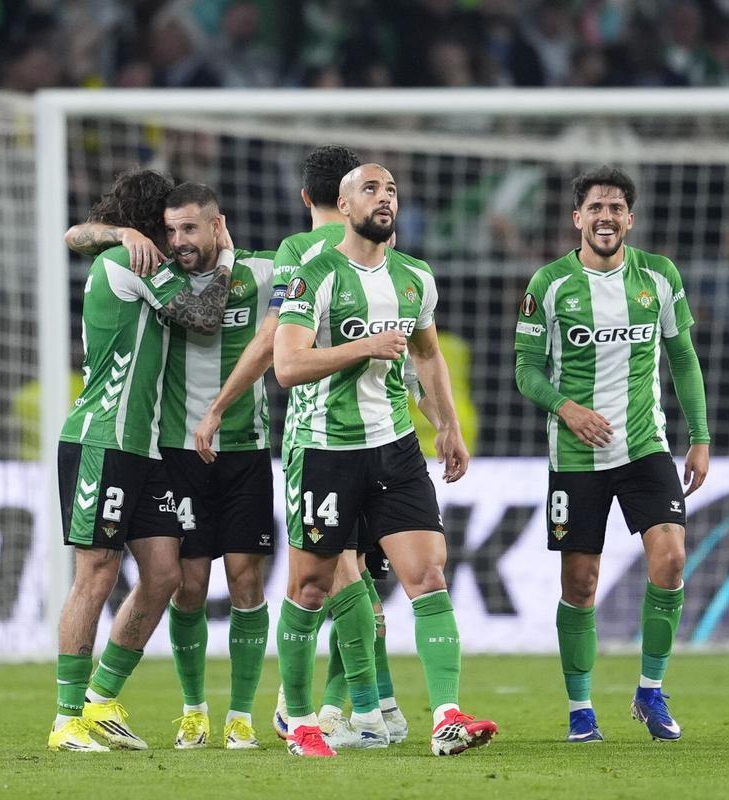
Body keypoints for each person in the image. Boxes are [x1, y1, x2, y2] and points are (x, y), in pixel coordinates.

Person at [194, 145, 417, 749]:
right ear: (348, 197)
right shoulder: (386, 251)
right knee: (356, 572)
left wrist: (218, 406)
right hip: (385, 436)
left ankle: (343, 708)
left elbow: (271, 342)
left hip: (316, 441)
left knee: (339, 574)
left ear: (304, 197)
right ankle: (361, 706)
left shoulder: (297, 253)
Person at [273, 163, 498, 757]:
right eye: (370, 189)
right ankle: (299, 723)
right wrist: (363, 347)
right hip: (325, 449)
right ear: (343, 207)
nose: (385, 198)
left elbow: (427, 355)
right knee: (311, 588)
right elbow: (288, 367)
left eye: (391, 190)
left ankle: (446, 717)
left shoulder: (415, 278)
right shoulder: (315, 274)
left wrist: (446, 425)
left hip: (395, 448)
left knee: (427, 575)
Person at [65, 182, 277, 750]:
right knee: (180, 583)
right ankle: (187, 711)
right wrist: (120, 233)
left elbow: (319, 267)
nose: (178, 240)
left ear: (216, 225)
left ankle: (239, 715)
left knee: (236, 580)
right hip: (169, 448)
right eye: (169, 228)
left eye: (188, 228)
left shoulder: (259, 273)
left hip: (244, 449)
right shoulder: (153, 273)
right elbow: (77, 235)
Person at [513, 166, 710, 744]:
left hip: (645, 446)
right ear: (577, 218)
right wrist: (566, 408)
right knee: (580, 582)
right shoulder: (549, 284)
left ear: (630, 217)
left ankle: (650, 691)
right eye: (595, 207)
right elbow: (524, 371)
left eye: (616, 207)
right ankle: (580, 709)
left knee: (671, 560)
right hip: (576, 457)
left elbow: (684, 357)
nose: (606, 216)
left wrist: (699, 436)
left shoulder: (659, 277)